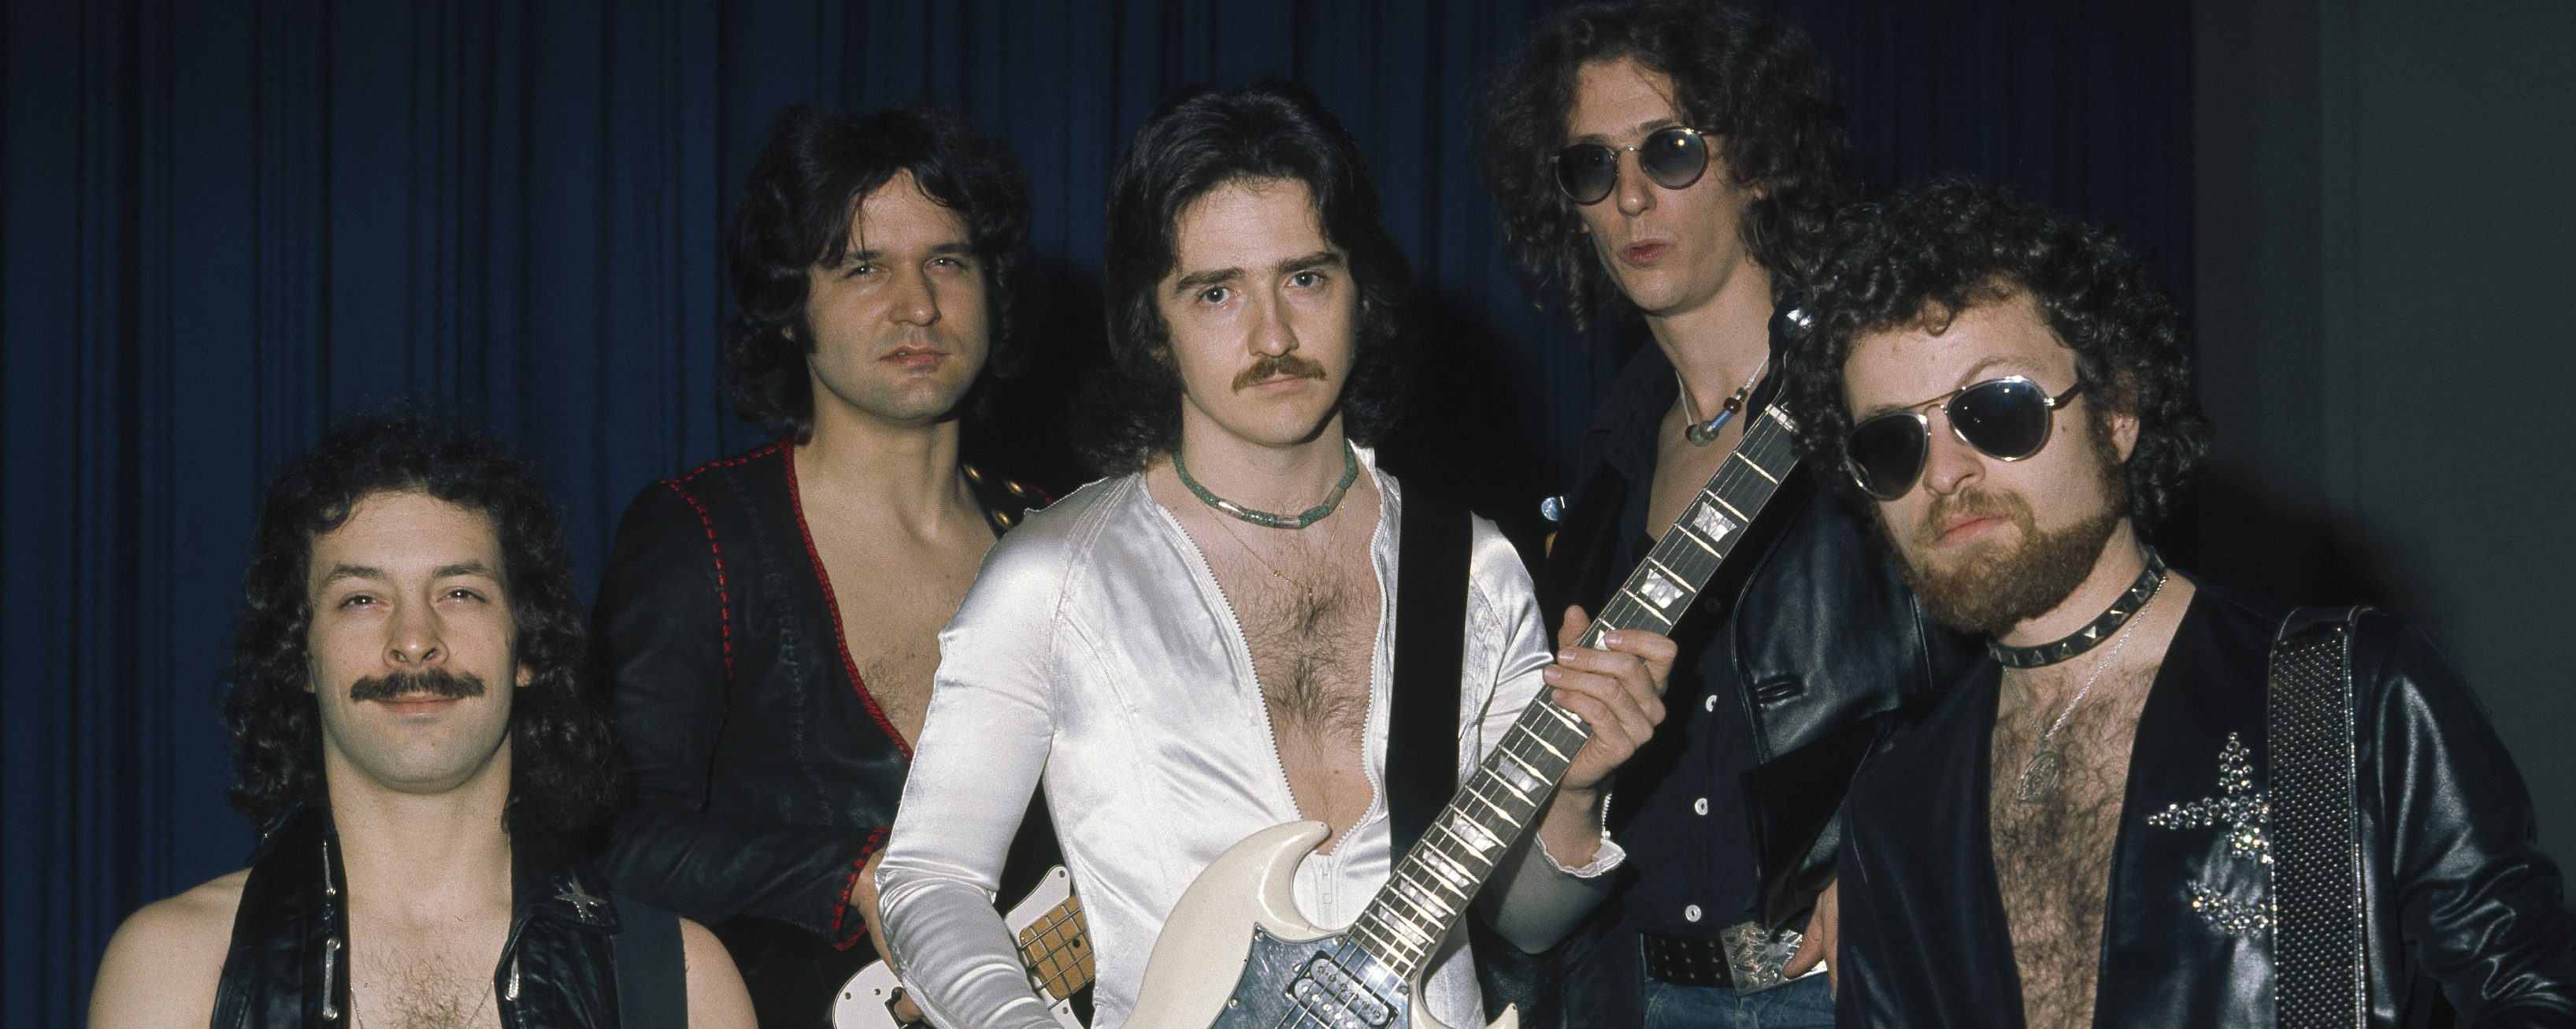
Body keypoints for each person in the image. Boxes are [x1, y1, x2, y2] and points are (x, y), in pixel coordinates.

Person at [873, 80, 1678, 1029]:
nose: (1273, 336)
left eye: (1305, 277)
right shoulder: (1053, 579)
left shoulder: (1473, 567)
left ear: (1360, 289)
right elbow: (929, 880)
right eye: (1216, 293)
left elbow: (1521, 922)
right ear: (1153, 323)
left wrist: (1576, 800)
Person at [1788, 178, 2576, 1027]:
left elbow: (2535, 1001)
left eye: (1994, 409)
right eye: (1891, 442)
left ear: (2117, 414)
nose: (1944, 472)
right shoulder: (1895, 808)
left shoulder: (2344, 697)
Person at [1471, 2, 1974, 1024]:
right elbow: (1535, 895)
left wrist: (1903, 855)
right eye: (1589, 166)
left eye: (1668, 150)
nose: (1627, 196)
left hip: (1835, 995)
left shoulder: (1877, 401)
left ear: (1760, 161)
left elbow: (2026, 661)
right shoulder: (1605, 465)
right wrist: (1568, 794)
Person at [593, 102, 1059, 1027]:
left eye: (948, 261)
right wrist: (851, 878)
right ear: (785, 308)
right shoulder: (699, 535)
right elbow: (609, 841)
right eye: (862, 267)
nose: (918, 304)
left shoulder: (1058, 542)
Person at [87, 408, 756, 1028]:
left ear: (529, 645)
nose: (413, 639)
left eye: (460, 593)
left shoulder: (685, 979)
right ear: (300, 654)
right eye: (361, 599)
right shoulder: (175, 969)